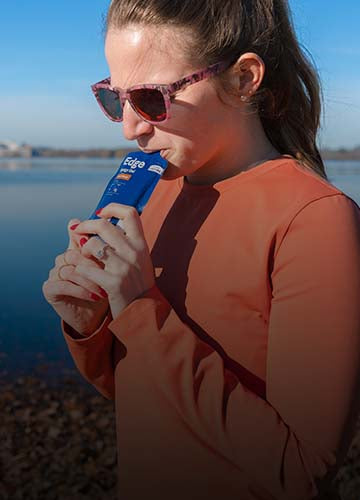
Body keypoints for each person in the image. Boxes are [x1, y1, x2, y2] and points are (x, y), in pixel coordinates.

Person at [42, 0, 360, 499]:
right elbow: (143, 395)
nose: (129, 127)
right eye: (114, 98)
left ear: (243, 79)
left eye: (150, 98)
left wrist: (143, 308)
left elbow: (301, 468)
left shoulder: (314, 218)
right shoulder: (158, 190)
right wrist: (92, 324)